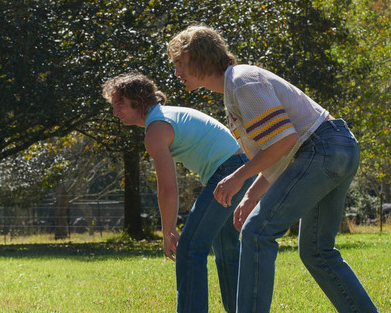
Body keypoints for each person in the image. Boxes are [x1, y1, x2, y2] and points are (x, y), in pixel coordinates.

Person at [167, 25, 378, 312]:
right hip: (336, 149)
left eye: (180, 64)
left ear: (201, 59)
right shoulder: (234, 88)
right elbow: (279, 153)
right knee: (317, 252)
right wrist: (251, 195)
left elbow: (284, 142)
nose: (177, 72)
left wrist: (238, 177)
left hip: (321, 149)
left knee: (257, 232)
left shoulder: (241, 82)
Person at [102, 73, 254, 312]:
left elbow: (168, 188)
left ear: (138, 101)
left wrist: (167, 231)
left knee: (190, 247)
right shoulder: (164, 116)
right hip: (241, 168)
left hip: (231, 171)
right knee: (225, 246)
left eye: (119, 104)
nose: (115, 111)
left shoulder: (156, 130)